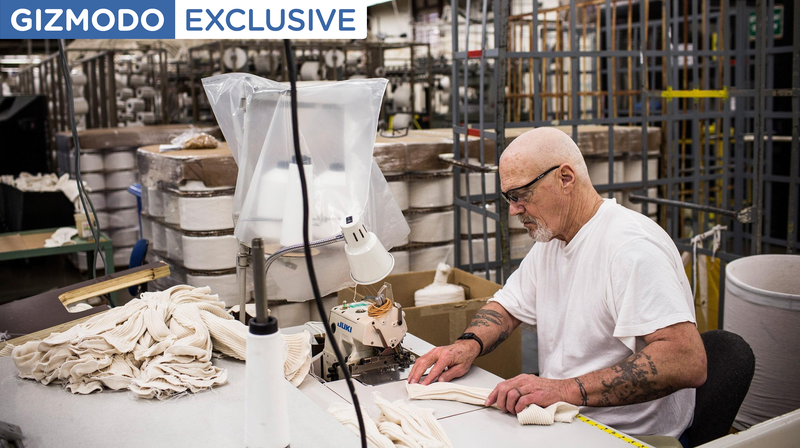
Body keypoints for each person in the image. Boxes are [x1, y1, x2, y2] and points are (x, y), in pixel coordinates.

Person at [407, 127, 706, 441]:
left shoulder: (629, 249)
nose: (513, 209)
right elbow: (507, 307)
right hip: (568, 420)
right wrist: (465, 346)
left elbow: (686, 360)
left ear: (565, 178)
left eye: (521, 195)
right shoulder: (552, 240)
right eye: (509, 198)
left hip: (625, 436)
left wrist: (563, 389)